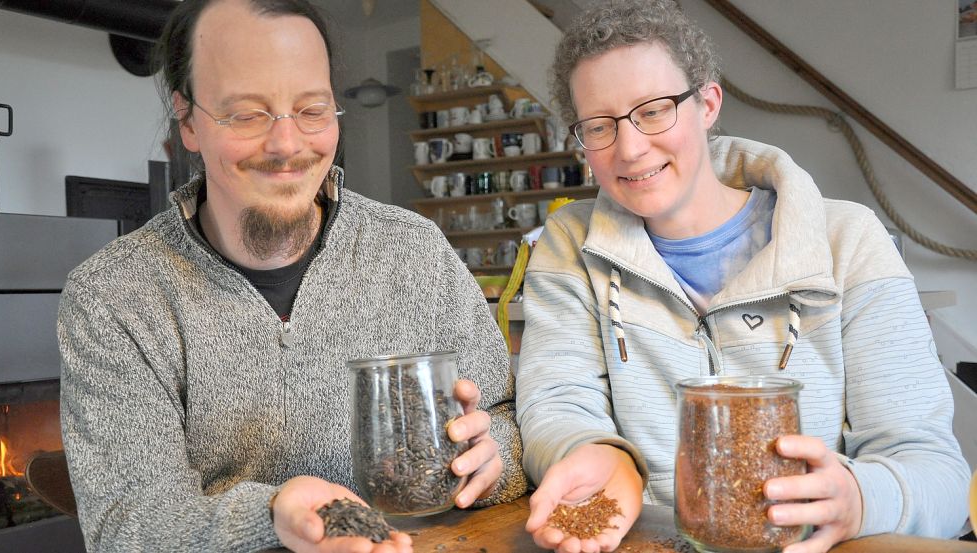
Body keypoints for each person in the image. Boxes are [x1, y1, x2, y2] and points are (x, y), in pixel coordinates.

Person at [57, 1, 526, 551]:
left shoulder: (413, 252)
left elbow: (512, 424)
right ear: (187, 120)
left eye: (311, 109)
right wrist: (272, 514)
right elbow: (127, 528)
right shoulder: (113, 296)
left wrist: (492, 454)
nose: (286, 145)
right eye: (247, 114)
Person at [515, 1, 970, 552]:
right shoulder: (570, 245)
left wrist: (858, 498)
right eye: (599, 126)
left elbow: (937, 474)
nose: (630, 148)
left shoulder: (848, 241)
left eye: (654, 111)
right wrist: (600, 455)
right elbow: (556, 404)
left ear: (707, 103)